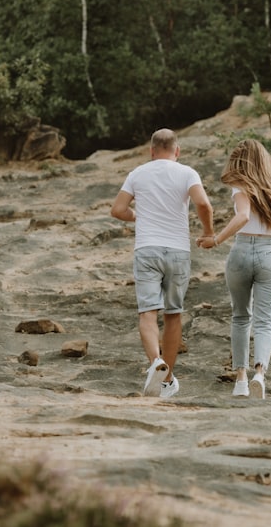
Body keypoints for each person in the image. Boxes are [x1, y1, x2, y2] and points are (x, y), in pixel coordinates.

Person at [111, 128, 215, 398]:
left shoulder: (138, 173)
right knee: (173, 314)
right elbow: (203, 204)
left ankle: (155, 361)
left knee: (147, 312)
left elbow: (117, 209)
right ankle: (167, 378)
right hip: (178, 251)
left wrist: (136, 216)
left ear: (152, 150)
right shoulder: (187, 173)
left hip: (147, 249)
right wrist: (208, 232)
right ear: (177, 151)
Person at [198, 139, 271, 399]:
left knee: (240, 316)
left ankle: (241, 380)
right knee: (265, 318)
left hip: (242, 250)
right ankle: (260, 374)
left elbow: (243, 216)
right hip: (270, 252)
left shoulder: (240, 187)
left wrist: (216, 239)